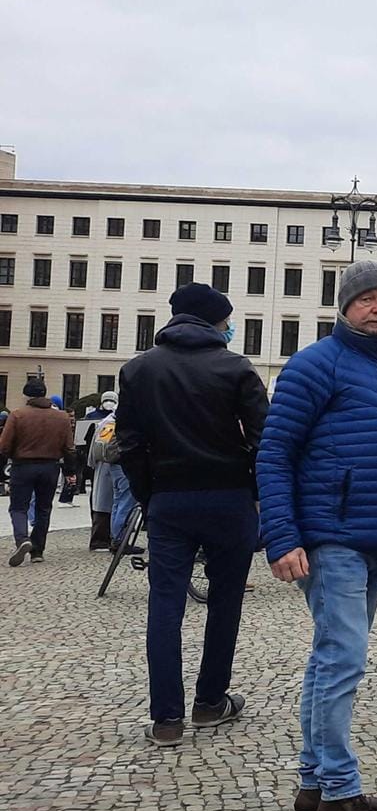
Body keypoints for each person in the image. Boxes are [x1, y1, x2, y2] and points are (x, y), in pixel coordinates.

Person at [258, 261, 377, 811]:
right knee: (344, 661)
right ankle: (338, 796)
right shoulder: (315, 364)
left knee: (330, 659)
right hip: (330, 536)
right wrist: (282, 537)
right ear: (345, 306)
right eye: (369, 299)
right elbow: (274, 452)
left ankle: (313, 785)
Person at [114, 284, 269, 746]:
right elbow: (265, 440)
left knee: (164, 604)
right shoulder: (237, 367)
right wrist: (256, 493)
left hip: (169, 498)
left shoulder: (138, 370)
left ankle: (166, 719)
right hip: (229, 497)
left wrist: (149, 495)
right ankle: (209, 701)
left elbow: (129, 444)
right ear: (217, 322)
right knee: (225, 601)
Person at [3, 377, 71, 565]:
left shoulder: (17, 415)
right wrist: (70, 471)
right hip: (50, 467)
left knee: (18, 507)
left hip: (23, 466)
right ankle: (37, 550)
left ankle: (22, 539)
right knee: (43, 508)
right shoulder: (62, 417)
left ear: (26, 395)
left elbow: (4, 445)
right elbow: (69, 448)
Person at [84, 391, 121, 550]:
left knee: (106, 501)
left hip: (105, 465)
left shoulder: (108, 420)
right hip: (107, 465)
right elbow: (101, 448)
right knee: (104, 502)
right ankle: (100, 539)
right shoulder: (110, 422)